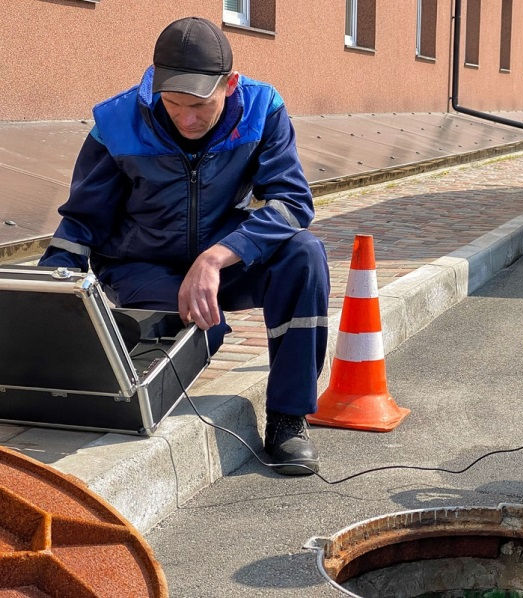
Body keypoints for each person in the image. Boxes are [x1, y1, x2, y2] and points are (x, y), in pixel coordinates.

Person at [39, 17, 330, 476]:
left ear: (230, 85)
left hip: (222, 257)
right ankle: (137, 350)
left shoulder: (262, 109)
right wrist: (48, 296)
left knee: (304, 254)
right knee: (201, 333)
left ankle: (288, 420)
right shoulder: (116, 123)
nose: (186, 118)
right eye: (173, 104)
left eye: (200, 105)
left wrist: (216, 257)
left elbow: (292, 202)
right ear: (155, 84)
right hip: (139, 265)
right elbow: (81, 220)